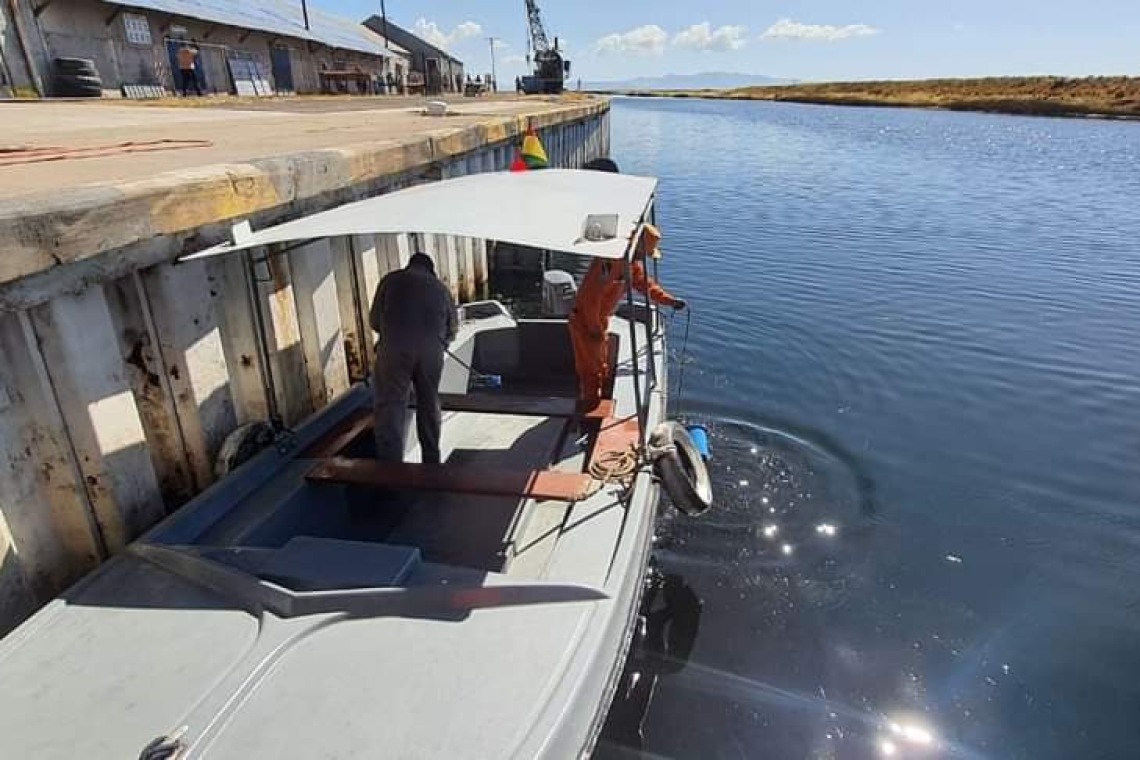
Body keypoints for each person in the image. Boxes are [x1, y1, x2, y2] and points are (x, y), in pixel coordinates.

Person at [369, 253, 457, 465]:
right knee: (429, 402)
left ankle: (391, 468)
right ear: (431, 269)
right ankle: (431, 460)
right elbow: (452, 329)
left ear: (409, 265)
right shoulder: (441, 288)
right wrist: (439, 342)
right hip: (431, 353)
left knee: (391, 405)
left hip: (394, 350)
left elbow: (374, 321)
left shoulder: (390, 281)